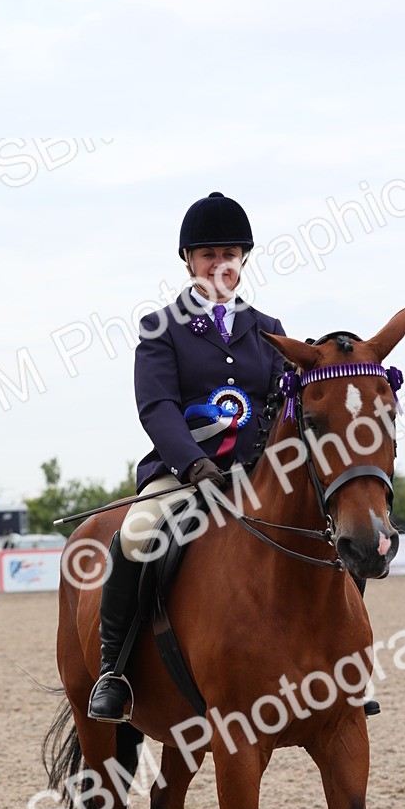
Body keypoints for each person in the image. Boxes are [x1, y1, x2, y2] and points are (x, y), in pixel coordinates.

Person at [88, 192, 287, 723]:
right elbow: (156, 406)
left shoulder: (269, 329)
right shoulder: (162, 328)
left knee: (332, 529)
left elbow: (282, 405)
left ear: (244, 258)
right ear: (188, 261)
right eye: (207, 255)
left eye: (229, 253)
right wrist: (193, 464)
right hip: (183, 475)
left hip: (259, 477)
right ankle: (115, 670)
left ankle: (344, 667)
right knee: (134, 536)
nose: (219, 264)